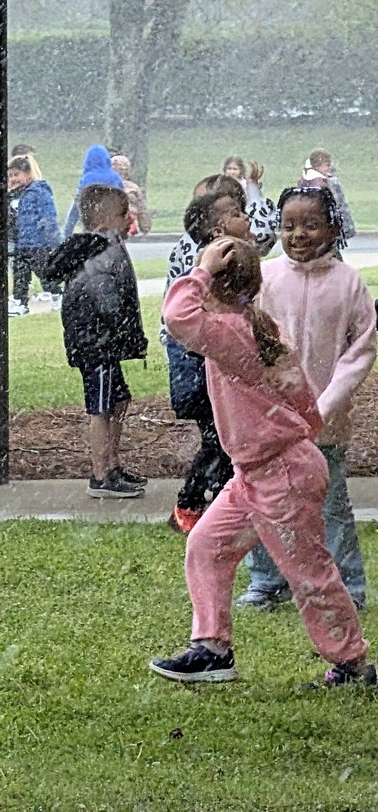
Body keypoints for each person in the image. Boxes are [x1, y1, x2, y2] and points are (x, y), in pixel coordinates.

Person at [151, 237, 375, 687]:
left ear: (215, 286)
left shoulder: (231, 332)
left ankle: (353, 665)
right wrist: (301, 440)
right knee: (207, 546)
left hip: (280, 473)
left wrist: (200, 270)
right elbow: (303, 396)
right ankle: (212, 650)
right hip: (260, 471)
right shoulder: (256, 327)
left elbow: (176, 317)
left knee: (309, 574)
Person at [236, 186, 375, 610]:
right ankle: (267, 580)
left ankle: (347, 586)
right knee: (265, 502)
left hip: (326, 426)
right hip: (271, 423)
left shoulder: (348, 283)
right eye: (289, 225)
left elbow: (361, 350)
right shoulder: (265, 279)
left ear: (333, 229)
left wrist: (324, 406)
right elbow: (246, 340)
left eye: (311, 225)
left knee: (331, 505)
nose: (298, 234)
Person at [44, 185, 148, 498]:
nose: (129, 218)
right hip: (96, 345)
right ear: (104, 221)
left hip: (103, 343)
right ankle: (101, 474)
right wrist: (124, 330)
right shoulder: (99, 252)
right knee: (101, 407)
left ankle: (112, 465)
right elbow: (105, 298)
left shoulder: (106, 247)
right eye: (122, 214)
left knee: (119, 400)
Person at [165, 183, 254, 533]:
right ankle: (190, 504)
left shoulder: (238, 257)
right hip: (202, 373)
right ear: (217, 231)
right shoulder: (210, 265)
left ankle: (218, 501)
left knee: (225, 439)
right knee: (218, 440)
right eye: (236, 213)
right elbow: (182, 317)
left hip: (222, 372)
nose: (246, 217)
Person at [7, 156, 63, 316]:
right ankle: (20, 302)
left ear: (28, 173)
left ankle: (57, 295)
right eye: (10, 176)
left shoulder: (39, 192)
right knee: (20, 275)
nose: (13, 179)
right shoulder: (14, 196)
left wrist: (53, 242)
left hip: (38, 244)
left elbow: (48, 217)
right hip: (21, 244)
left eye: (16, 174)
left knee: (45, 274)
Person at [62, 144, 122, 239]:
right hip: (111, 227)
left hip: (91, 228)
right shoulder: (115, 178)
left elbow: (76, 207)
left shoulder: (86, 180)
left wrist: (67, 232)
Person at [299, 148, 356, 242]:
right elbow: (333, 202)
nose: (328, 168)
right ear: (318, 166)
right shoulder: (320, 183)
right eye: (327, 165)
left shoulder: (306, 179)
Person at [110, 155, 152, 236]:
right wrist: (146, 228)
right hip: (129, 227)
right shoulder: (133, 188)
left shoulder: (104, 188)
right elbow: (142, 211)